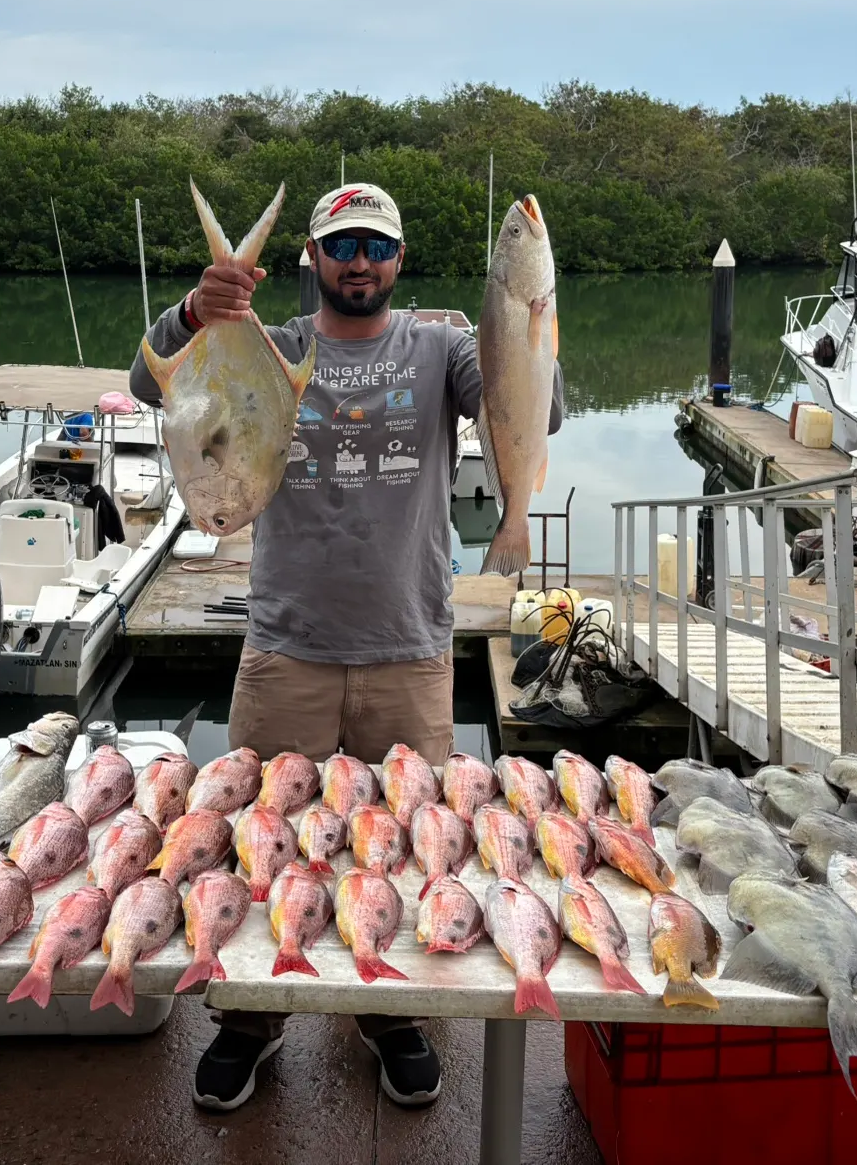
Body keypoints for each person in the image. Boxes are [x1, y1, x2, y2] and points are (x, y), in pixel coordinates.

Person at [129, 182, 563, 1113]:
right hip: (287, 644)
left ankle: (393, 1013)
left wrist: (530, 318)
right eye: (341, 246)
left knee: (411, 850)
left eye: (375, 245)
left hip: (410, 647)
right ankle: (250, 1018)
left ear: (396, 261)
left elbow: (541, 409)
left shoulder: (443, 350)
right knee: (262, 843)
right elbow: (146, 383)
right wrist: (194, 311)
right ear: (313, 261)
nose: (358, 260)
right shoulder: (278, 346)